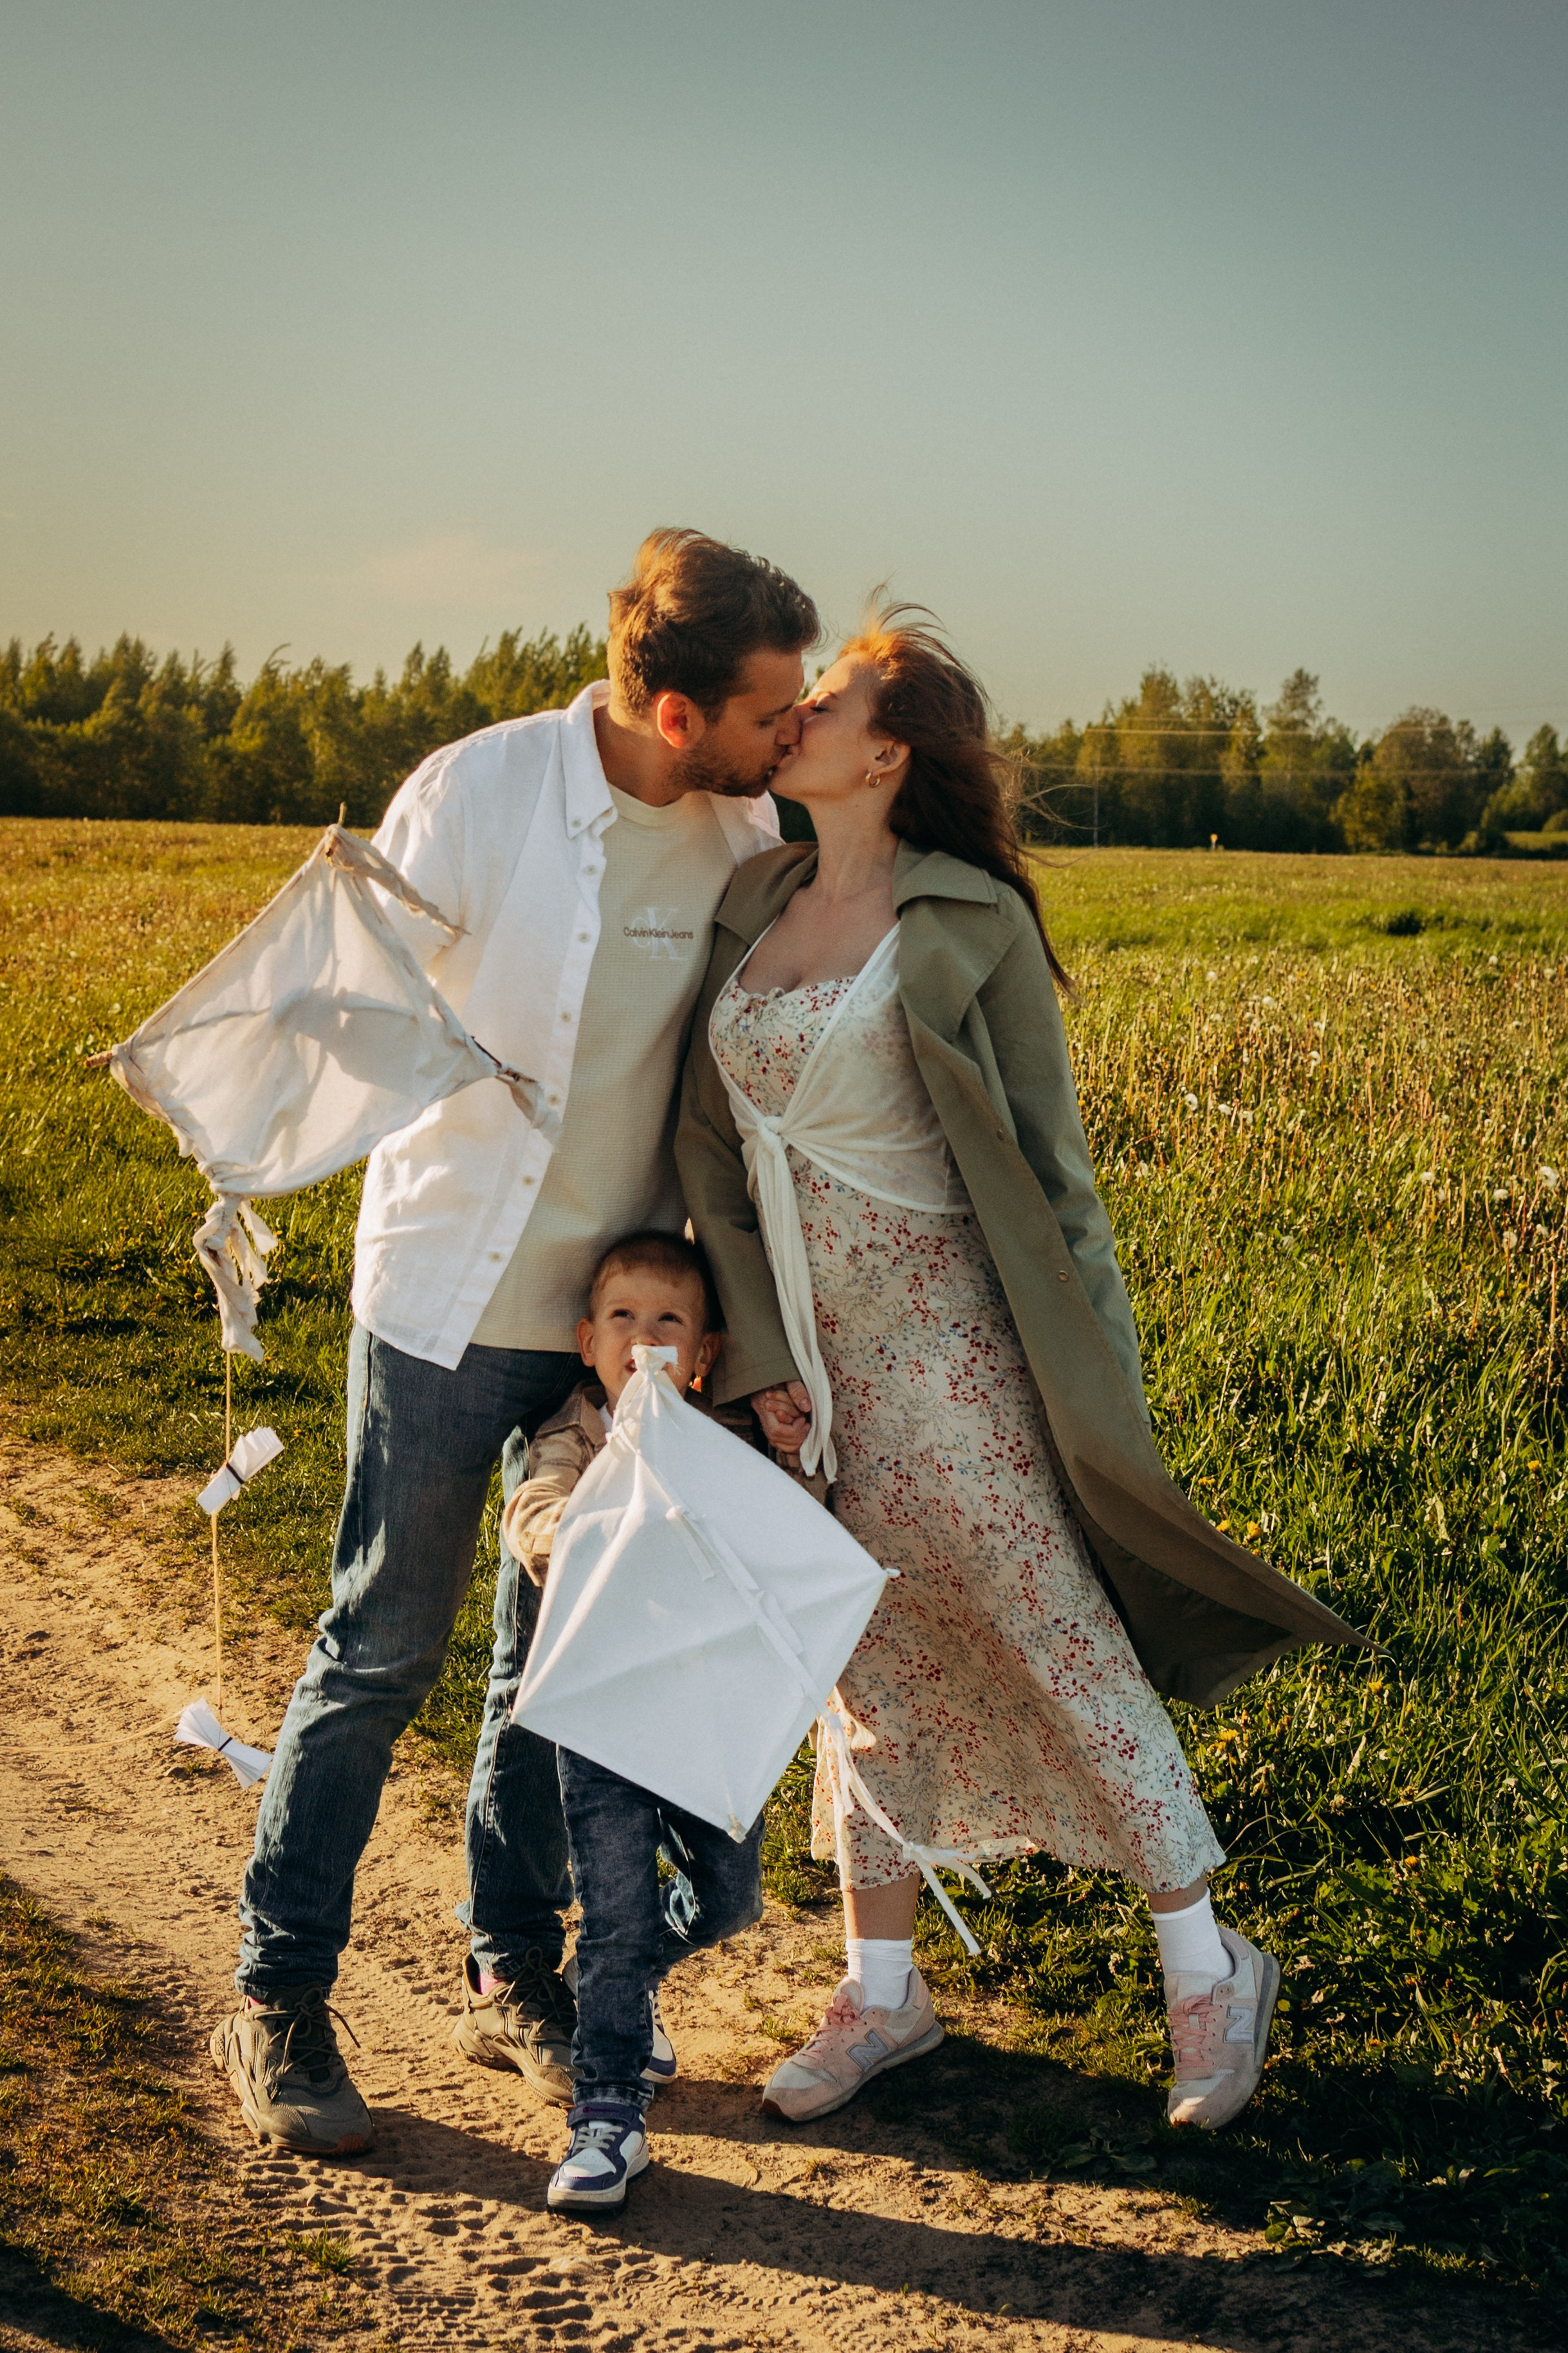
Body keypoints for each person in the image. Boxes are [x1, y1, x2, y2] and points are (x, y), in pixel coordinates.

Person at [676, 607, 1365, 2132]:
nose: (792, 716)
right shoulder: (751, 901)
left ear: (890, 749)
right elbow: (709, 1158)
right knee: (861, 1677)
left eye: (829, 700)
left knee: (1058, 1642)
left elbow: (1056, 1182)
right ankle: (884, 1993)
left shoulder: (964, 915)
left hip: (957, 1361)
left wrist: (1098, 1388)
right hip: (814, 1374)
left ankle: (1206, 1966)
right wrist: (767, 1363)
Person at [210, 530, 819, 2158]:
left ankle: (513, 1969)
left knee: (545, 1669)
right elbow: (338, 1005)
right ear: (678, 712)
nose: (794, 727)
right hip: (437, 1302)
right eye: (771, 705)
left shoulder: (750, 831)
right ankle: (275, 1991)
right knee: (379, 1648)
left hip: (611, 1334)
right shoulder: (474, 795)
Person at [501, 1228, 765, 2214]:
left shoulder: (724, 1437)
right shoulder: (578, 1431)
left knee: (733, 1898)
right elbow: (536, 1504)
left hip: (707, 1717)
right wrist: (564, 1531)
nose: (643, 1337)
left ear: (701, 1354)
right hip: (603, 1714)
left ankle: (628, 1971)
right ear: (586, 1340)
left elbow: (784, 1523)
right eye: (623, 1319)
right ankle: (606, 2118)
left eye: (669, 1322)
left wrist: (789, 1457)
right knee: (612, 1917)